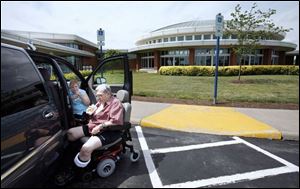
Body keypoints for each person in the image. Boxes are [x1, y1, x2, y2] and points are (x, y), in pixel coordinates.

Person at [67, 84, 124, 168]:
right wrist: (90, 111)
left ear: (108, 94)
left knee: (86, 148)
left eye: (100, 95)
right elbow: (93, 115)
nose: (98, 98)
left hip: (108, 131)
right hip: (93, 126)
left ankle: (81, 168)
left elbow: (115, 121)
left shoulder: (115, 103)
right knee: (70, 133)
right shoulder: (100, 102)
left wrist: (100, 126)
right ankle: (74, 154)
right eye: (97, 95)